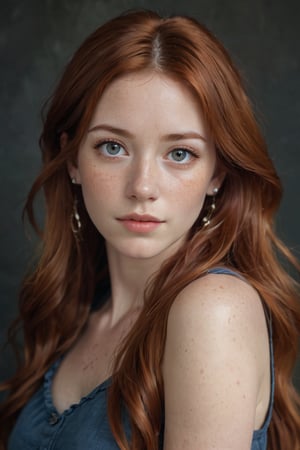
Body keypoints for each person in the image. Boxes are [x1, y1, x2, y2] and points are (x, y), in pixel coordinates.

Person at [0, 9, 299, 450]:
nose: (142, 187)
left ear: (217, 173)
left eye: (179, 153)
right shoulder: (83, 311)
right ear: (74, 161)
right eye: (113, 147)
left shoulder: (213, 310)